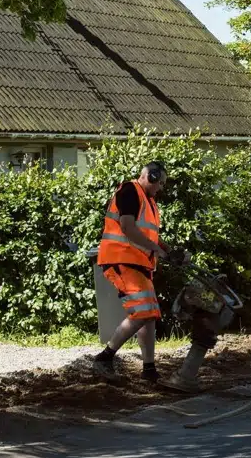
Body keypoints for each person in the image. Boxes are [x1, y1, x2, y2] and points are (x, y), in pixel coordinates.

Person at [91, 162, 171, 381]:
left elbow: (150, 236)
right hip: (121, 260)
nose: (161, 188)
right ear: (150, 176)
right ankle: (106, 356)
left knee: (150, 315)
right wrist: (158, 251)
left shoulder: (149, 202)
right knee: (144, 312)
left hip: (138, 263)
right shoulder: (129, 191)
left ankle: (149, 369)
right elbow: (127, 227)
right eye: (160, 182)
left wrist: (168, 250)